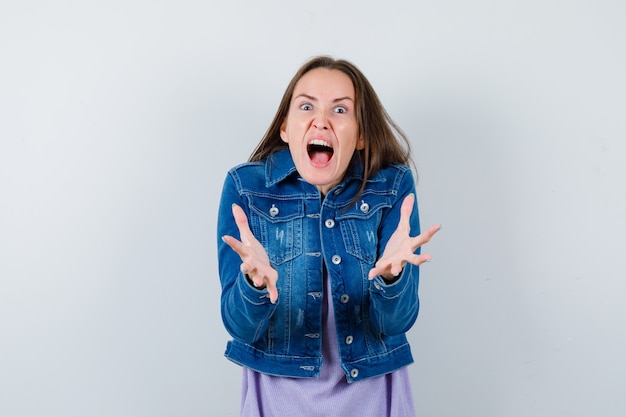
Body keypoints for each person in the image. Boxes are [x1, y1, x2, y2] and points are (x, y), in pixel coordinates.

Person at [217, 55, 441, 417]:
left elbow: (397, 323)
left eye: (340, 110)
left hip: (373, 391)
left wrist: (392, 279)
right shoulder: (246, 189)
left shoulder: (393, 187)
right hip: (277, 395)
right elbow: (239, 326)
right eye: (306, 106)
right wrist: (253, 288)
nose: (320, 120)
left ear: (362, 134)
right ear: (286, 128)